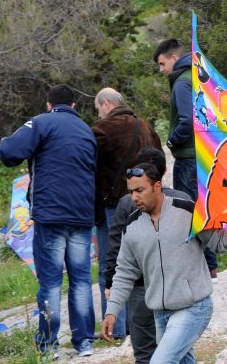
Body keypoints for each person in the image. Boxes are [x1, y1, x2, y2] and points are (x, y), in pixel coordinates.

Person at [101, 163, 227, 363]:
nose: (134, 197)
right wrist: (112, 311)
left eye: (140, 190)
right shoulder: (132, 226)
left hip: (194, 307)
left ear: (157, 186)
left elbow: (218, 243)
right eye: (131, 191)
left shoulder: (188, 211)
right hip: (160, 314)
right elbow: (124, 272)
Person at [0, 83, 97, 357]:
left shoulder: (41, 123)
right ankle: (85, 342)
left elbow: (8, 152)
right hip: (81, 215)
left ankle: (49, 345)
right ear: (74, 106)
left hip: (51, 214)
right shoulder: (86, 130)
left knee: (52, 282)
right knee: (80, 280)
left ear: (48, 105)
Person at [104, 147, 191, 364]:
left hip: (141, 289)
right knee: (180, 352)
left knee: (144, 352)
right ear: (164, 170)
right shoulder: (183, 200)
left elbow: (116, 248)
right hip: (178, 287)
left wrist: (109, 282)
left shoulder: (126, 204)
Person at [92, 87, 162, 341]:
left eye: (98, 109)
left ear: (107, 104)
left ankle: (116, 327)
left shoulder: (104, 128)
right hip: (147, 203)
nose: (98, 114)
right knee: (142, 263)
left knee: (114, 263)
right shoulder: (145, 126)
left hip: (114, 204)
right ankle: (137, 323)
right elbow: (159, 160)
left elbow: (87, 158)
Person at [153, 39, 219, 279]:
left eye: (162, 64)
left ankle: (203, 266)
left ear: (173, 58)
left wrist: (171, 140)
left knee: (188, 212)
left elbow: (187, 120)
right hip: (203, 154)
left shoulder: (181, 82)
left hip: (188, 158)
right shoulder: (198, 77)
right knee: (201, 209)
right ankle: (211, 265)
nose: (161, 70)